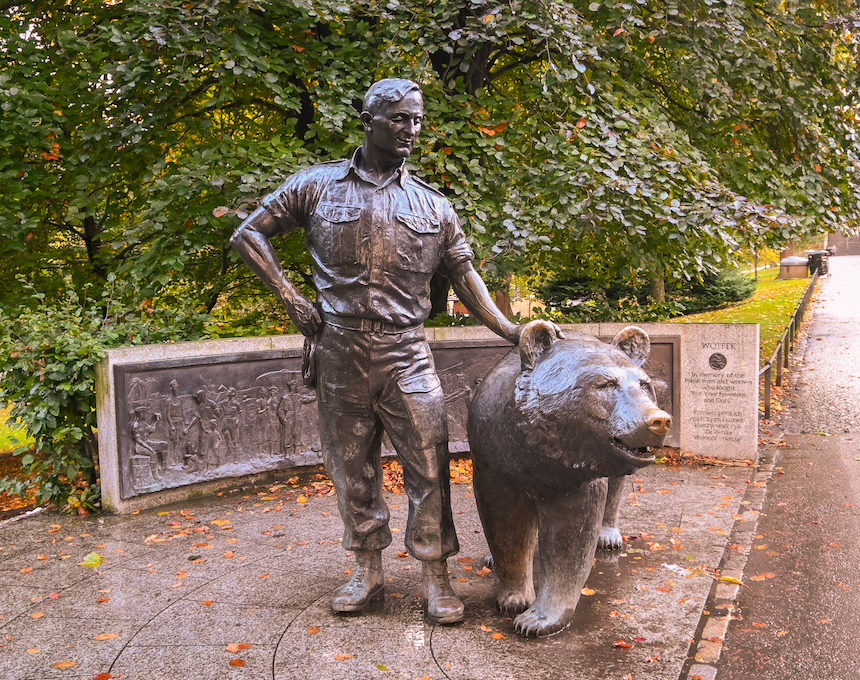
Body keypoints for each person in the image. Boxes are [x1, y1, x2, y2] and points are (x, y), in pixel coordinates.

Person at [230, 78, 523, 625]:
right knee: (351, 469)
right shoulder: (315, 187)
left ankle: (436, 578)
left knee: (430, 467)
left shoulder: (433, 206)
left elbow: (463, 273)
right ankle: (366, 572)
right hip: (338, 348)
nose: (411, 129)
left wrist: (510, 330)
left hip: (406, 351)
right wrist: (291, 297)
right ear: (368, 121)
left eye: (416, 120)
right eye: (399, 119)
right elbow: (249, 235)